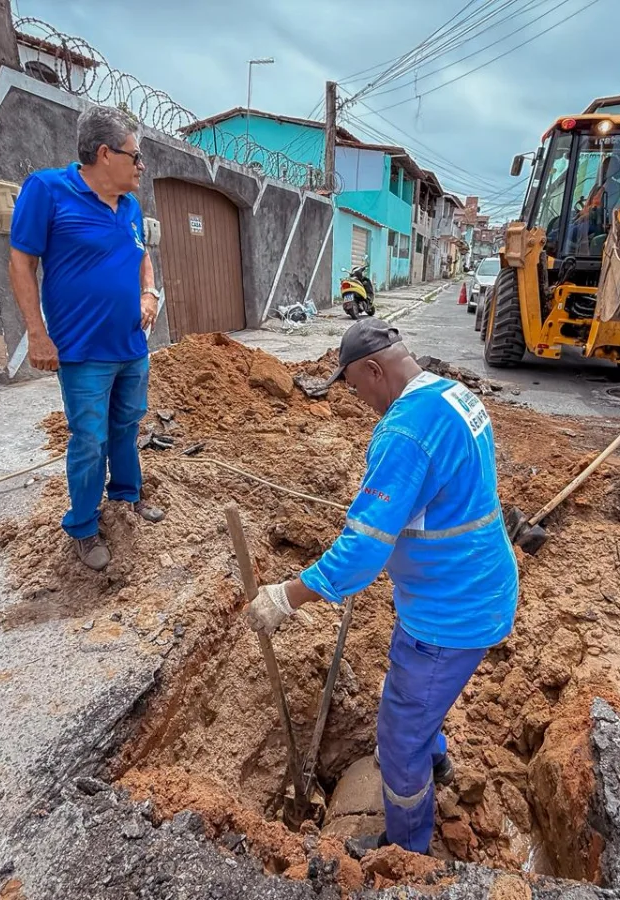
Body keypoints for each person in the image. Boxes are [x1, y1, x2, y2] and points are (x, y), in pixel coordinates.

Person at [245, 318, 519, 858]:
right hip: (471, 585)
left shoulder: (403, 433)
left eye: (354, 386)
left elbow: (365, 550)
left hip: (449, 613)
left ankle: (408, 848)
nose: (357, 400)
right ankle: (436, 762)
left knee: (397, 743)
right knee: (416, 705)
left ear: (375, 369)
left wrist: (287, 596)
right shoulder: (450, 394)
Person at [8, 105, 160, 571]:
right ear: (103, 153)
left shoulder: (130, 207)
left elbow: (141, 256)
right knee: (89, 439)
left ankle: (127, 498)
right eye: (134, 156)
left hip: (131, 347)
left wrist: (149, 293)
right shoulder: (48, 190)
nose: (140, 166)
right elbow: (20, 264)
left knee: (126, 428)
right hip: (83, 351)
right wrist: (37, 334)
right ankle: (83, 525)